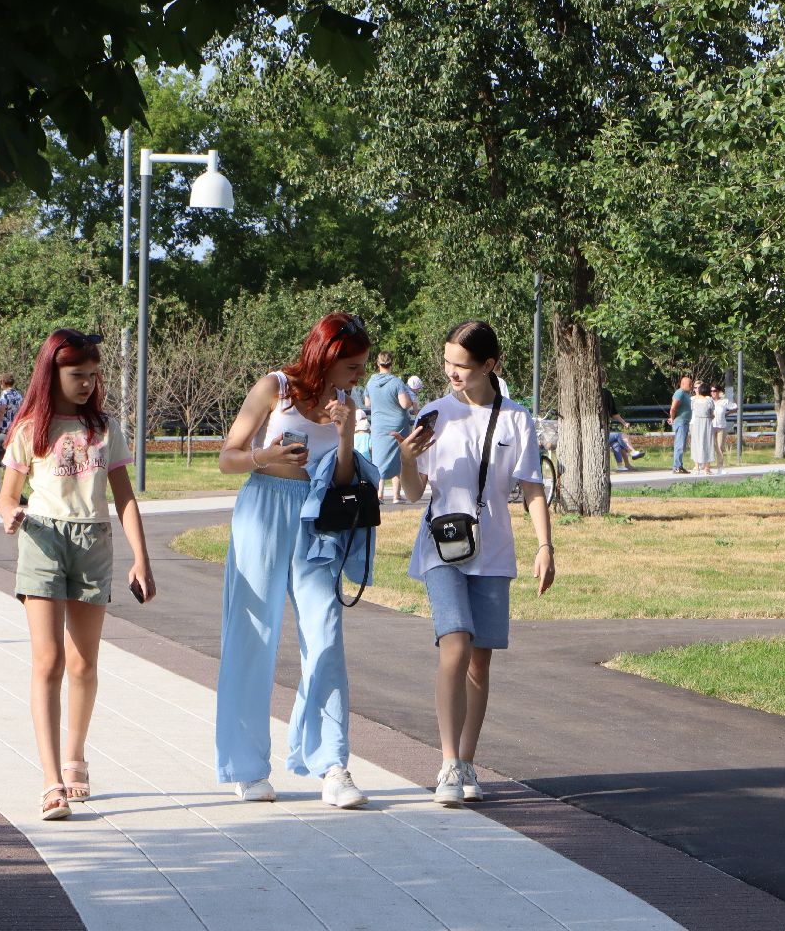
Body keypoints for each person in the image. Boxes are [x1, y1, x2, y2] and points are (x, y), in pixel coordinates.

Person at [214, 312, 372, 809]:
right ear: (327, 356)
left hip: (316, 522)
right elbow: (228, 456)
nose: (358, 376)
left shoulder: (347, 401)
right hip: (263, 507)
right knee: (251, 635)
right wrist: (269, 457)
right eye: (352, 365)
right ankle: (246, 766)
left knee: (325, 633)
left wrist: (346, 436)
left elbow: (345, 479)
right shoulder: (275, 388)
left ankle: (332, 765)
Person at [0, 329, 154, 822]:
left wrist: (141, 557)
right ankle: (50, 782)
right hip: (42, 539)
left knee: (83, 663)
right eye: (76, 375)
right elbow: (6, 493)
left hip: (93, 542)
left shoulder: (105, 428)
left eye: (92, 375)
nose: (87, 383)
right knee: (48, 662)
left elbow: (125, 496)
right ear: (53, 373)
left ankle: (76, 756)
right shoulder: (30, 428)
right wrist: (8, 513)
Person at [396, 320, 553, 807]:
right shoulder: (434, 414)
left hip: (493, 550)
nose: (452, 373)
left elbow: (531, 488)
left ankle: (466, 761)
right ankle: (446, 764)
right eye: (447, 363)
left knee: (479, 662)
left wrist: (545, 546)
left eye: (462, 365)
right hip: (441, 546)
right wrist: (405, 458)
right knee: (455, 644)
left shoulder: (517, 419)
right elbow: (413, 491)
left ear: (490, 365)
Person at [366, 352, 415, 502]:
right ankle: (396, 495)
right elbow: (405, 404)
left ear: (377, 363)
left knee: (379, 459)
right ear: (391, 363)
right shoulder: (397, 383)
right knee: (397, 458)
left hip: (379, 426)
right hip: (397, 425)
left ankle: (378, 494)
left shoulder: (370, 382)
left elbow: (367, 404)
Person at [602, 385, 643, 471]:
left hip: (605, 431)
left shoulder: (606, 393)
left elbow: (613, 413)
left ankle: (621, 466)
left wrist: (624, 423)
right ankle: (631, 451)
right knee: (620, 435)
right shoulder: (605, 393)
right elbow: (613, 413)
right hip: (600, 433)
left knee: (616, 444)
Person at [667, 375, 693, 474]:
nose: (691, 385)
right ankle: (677, 466)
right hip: (681, 422)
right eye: (689, 384)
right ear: (682, 384)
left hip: (685, 422)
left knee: (682, 445)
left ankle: (680, 465)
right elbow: (673, 408)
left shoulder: (686, 394)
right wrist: (673, 418)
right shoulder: (680, 393)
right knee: (679, 444)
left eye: (691, 383)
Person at [689, 381, 716, 475]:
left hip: (697, 422)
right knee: (707, 443)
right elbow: (712, 413)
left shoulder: (694, 400)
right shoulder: (709, 400)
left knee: (696, 443)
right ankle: (707, 468)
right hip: (707, 422)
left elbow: (693, 410)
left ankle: (696, 467)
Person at [711, 386, 738, 473]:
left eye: (714, 391)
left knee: (719, 447)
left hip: (721, 426)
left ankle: (720, 467)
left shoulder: (724, 401)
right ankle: (705, 466)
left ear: (718, 391)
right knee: (710, 446)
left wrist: (728, 413)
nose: (712, 392)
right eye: (711, 391)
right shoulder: (708, 401)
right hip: (710, 426)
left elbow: (735, 407)